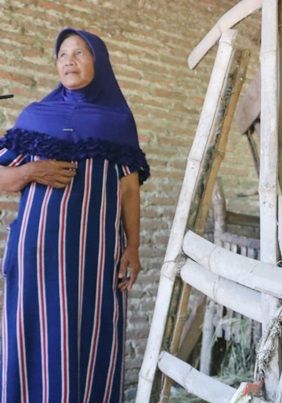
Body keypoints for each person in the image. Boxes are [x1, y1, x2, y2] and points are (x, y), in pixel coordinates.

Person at [0, 28, 149, 402]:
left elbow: (129, 190)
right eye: (62, 54)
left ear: (98, 62)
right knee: (33, 336)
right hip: (37, 254)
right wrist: (31, 172)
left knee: (93, 336)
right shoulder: (35, 116)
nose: (68, 60)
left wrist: (133, 247)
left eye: (79, 53)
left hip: (95, 257)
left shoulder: (118, 122)